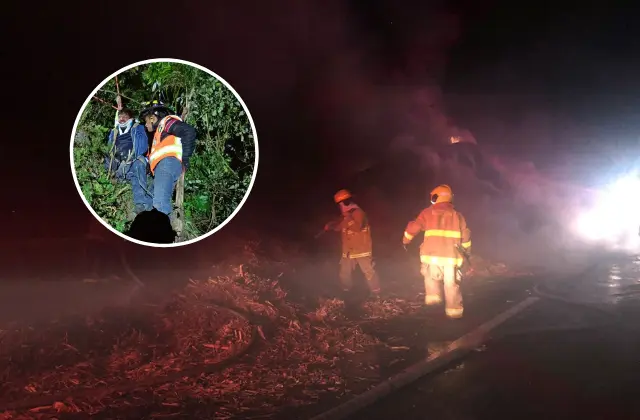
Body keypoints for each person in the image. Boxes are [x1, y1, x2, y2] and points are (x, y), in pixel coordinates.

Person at [402, 184, 471, 319]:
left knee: (431, 281)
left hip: (431, 256)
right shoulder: (458, 216)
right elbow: (466, 237)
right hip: (451, 258)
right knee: (451, 285)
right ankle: (454, 314)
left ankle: (433, 311)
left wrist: (405, 241)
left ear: (436, 197)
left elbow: (414, 227)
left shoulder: (426, 213)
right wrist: (467, 253)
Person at [139, 100, 197, 216]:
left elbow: (189, 131)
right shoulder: (159, 133)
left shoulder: (167, 122)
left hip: (167, 163)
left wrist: (185, 160)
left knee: (160, 205)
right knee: (154, 202)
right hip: (164, 166)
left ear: (153, 118)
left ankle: (161, 232)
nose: (145, 125)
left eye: (146, 121)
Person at [324, 189, 381, 298]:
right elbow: (340, 226)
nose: (340, 206)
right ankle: (346, 292)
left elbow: (357, 227)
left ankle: (376, 293)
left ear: (345, 202)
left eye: (341, 203)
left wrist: (348, 217)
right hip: (348, 251)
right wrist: (331, 225)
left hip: (361, 250)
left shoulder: (358, 213)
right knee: (344, 273)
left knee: (368, 272)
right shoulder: (347, 215)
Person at [104, 107, 153, 215]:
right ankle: (108, 184)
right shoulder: (114, 131)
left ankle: (140, 204)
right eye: (120, 117)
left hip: (133, 162)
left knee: (138, 164)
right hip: (118, 164)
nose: (121, 119)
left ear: (130, 118)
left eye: (125, 117)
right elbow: (109, 147)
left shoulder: (138, 128)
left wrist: (131, 158)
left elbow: (144, 146)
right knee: (106, 157)